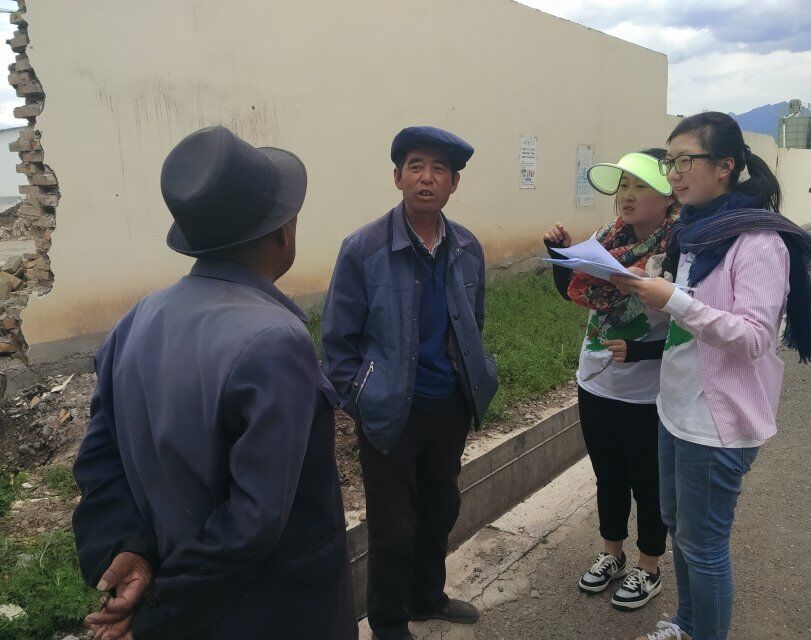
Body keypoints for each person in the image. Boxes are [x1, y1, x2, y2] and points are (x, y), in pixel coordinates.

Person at [72, 126, 356, 640]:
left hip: (185, 602)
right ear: (283, 233)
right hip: (273, 613)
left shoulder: (136, 320)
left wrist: (127, 546)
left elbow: (99, 461)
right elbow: (252, 524)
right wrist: (160, 611)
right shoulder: (275, 340)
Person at [612, 113, 811, 640]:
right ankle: (685, 623)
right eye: (670, 162)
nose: (673, 174)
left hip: (717, 421)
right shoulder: (695, 233)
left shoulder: (757, 242)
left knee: (704, 547)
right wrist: (650, 290)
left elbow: (754, 337)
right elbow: (689, 317)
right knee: (679, 529)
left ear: (725, 165)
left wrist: (673, 298)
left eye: (685, 161)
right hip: (676, 408)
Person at [321, 126, 498, 640]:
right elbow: (337, 344)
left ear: (454, 183)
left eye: (439, 169)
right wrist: (364, 399)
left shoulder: (466, 246)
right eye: (416, 166)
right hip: (390, 413)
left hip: (448, 407)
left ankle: (427, 596)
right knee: (393, 527)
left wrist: (470, 380)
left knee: (440, 509)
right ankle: (389, 622)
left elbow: (473, 321)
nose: (427, 178)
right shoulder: (363, 248)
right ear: (398, 177)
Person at [544, 150, 677, 612]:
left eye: (640, 186)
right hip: (596, 380)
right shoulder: (606, 239)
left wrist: (641, 351)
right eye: (623, 186)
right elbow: (572, 292)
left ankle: (649, 566)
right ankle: (612, 554)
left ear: (668, 195)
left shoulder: (680, 250)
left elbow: (694, 326)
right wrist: (559, 254)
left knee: (648, 481)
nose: (627, 195)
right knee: (609, 475)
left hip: (648, 391)